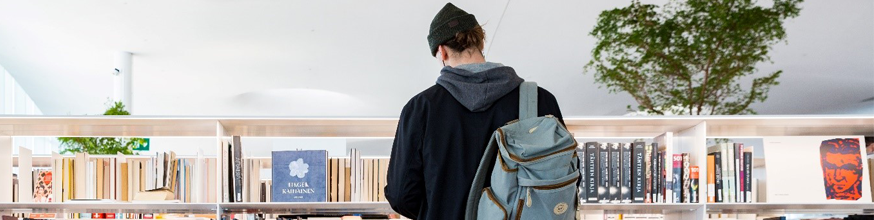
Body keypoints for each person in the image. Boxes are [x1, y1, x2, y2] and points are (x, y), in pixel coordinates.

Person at [384, 3, 565, 219]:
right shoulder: (539, 101)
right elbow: (563, 177)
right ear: (480, 41)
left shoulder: (421, 108)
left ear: (441, 51)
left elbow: (401, 195)